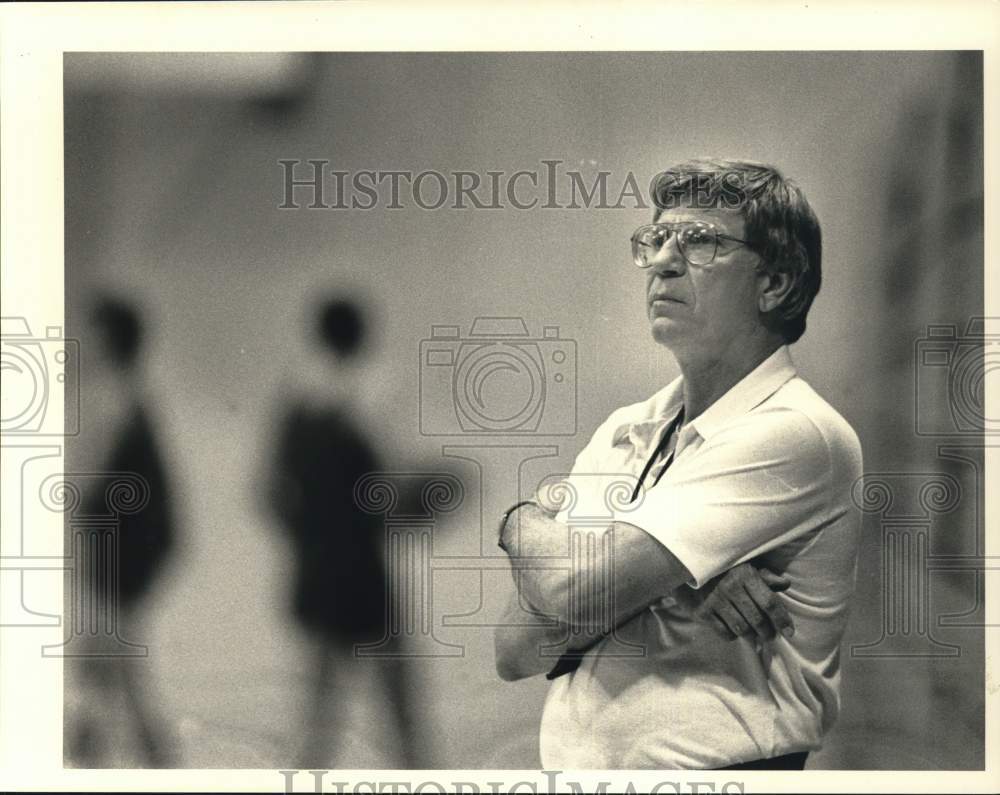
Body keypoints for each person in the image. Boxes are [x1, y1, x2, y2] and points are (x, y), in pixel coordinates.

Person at [495, 159, 862, 770]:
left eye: (700, 241)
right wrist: (692, 575)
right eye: (656, 239)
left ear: (773, 283)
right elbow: (514, 650)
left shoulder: (798, 432)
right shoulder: (625, 429)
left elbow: (568, 590)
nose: (664, 260)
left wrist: (521, 525)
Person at [268, 297, 425, 768]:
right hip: (362, 569)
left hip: (315, 566)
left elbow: (273, 493)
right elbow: (394, 487)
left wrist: (307, 537)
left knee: (319, 706)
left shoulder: (295, 400)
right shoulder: (368, 397)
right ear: (360, 337)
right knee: (398, 705)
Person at [66, 296, 178, 767]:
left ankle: (119, 760)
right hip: (116, 561)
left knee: (103, 668)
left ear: (109, 338)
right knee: (114, 671)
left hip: (108, 561)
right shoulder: (132, 399)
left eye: (91, 331)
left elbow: (84, 488)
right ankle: (145, 760)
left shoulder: (111, 402)